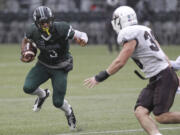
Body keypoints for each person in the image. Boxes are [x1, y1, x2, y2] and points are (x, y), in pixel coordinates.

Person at [84, 6, 180, 135]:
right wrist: (172, 71)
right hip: (159, 76)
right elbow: (163, 55)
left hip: (163, 76)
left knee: (161, 116)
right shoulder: (144, 29)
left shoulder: (128, 34)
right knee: (140, 111)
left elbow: (120, 61)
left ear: (120, 20)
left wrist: (101, 76)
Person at [21, 6, 88, 130]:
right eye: (42, 22)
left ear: (52, 19)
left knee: (57, 102)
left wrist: (83, 39)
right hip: (43, 64)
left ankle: (69, 113)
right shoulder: (33, 30)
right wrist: (26, 52)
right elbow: (26, 41)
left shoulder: (61, 28)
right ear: (36, 23)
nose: (46, 24)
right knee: (27, 87)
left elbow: (82, 34)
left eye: (48, 21)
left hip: (60, 66)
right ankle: (43, 95)